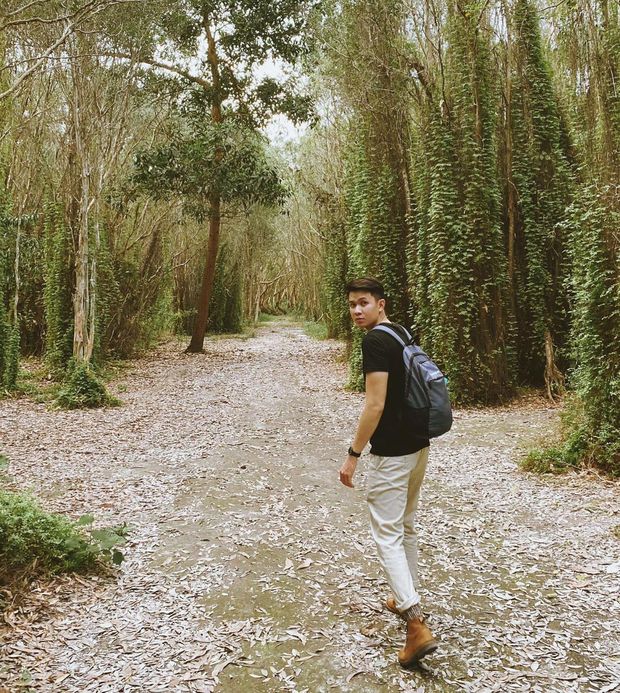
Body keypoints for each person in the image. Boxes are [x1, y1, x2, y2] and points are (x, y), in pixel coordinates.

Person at [339, 276, 438, 668]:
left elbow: (374, 405)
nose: (357, 310)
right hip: (418, 446)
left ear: (381, 303)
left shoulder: (375, 341)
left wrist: (353, 455)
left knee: (387, 534)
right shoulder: (401, 332)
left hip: (393, 453)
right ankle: (402, 595)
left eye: (363, 303)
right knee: (406, 526)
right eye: (351, 305)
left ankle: (416, 625)